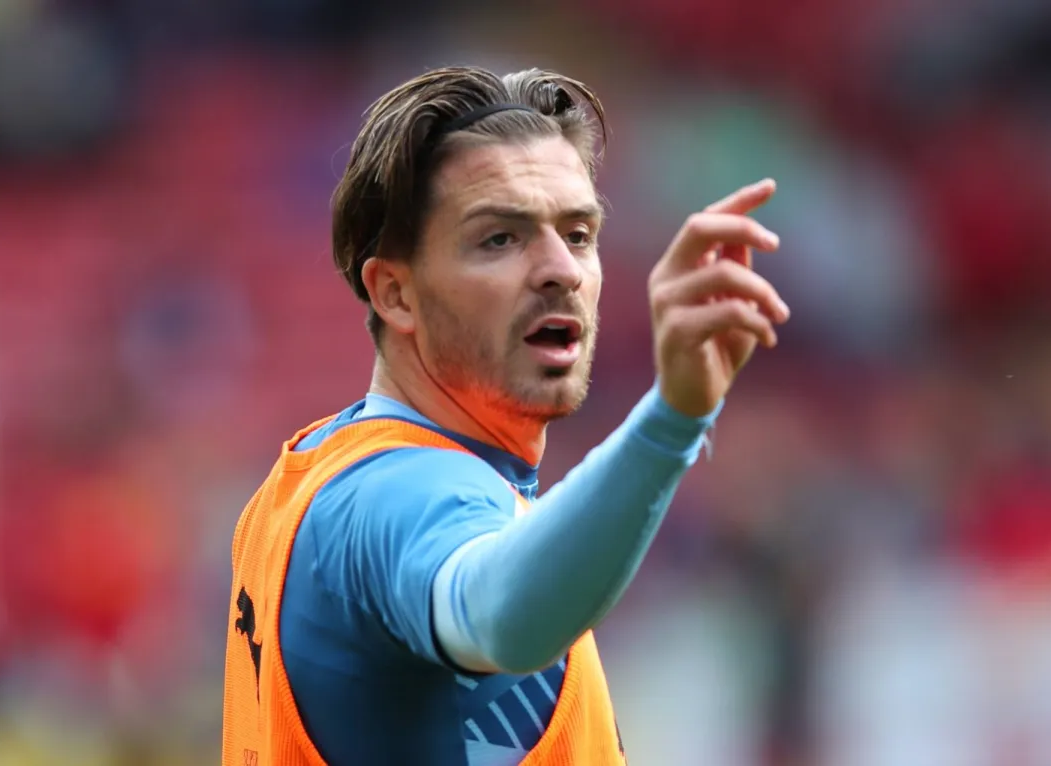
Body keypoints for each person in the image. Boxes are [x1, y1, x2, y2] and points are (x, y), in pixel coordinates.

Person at [222, 66, 790, 766]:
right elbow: (498, 617)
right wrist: (670, 421)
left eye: (578, 234)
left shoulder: (315, 474)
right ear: (395, 294)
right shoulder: (393, 493)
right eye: (500, 238)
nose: (561, 270)